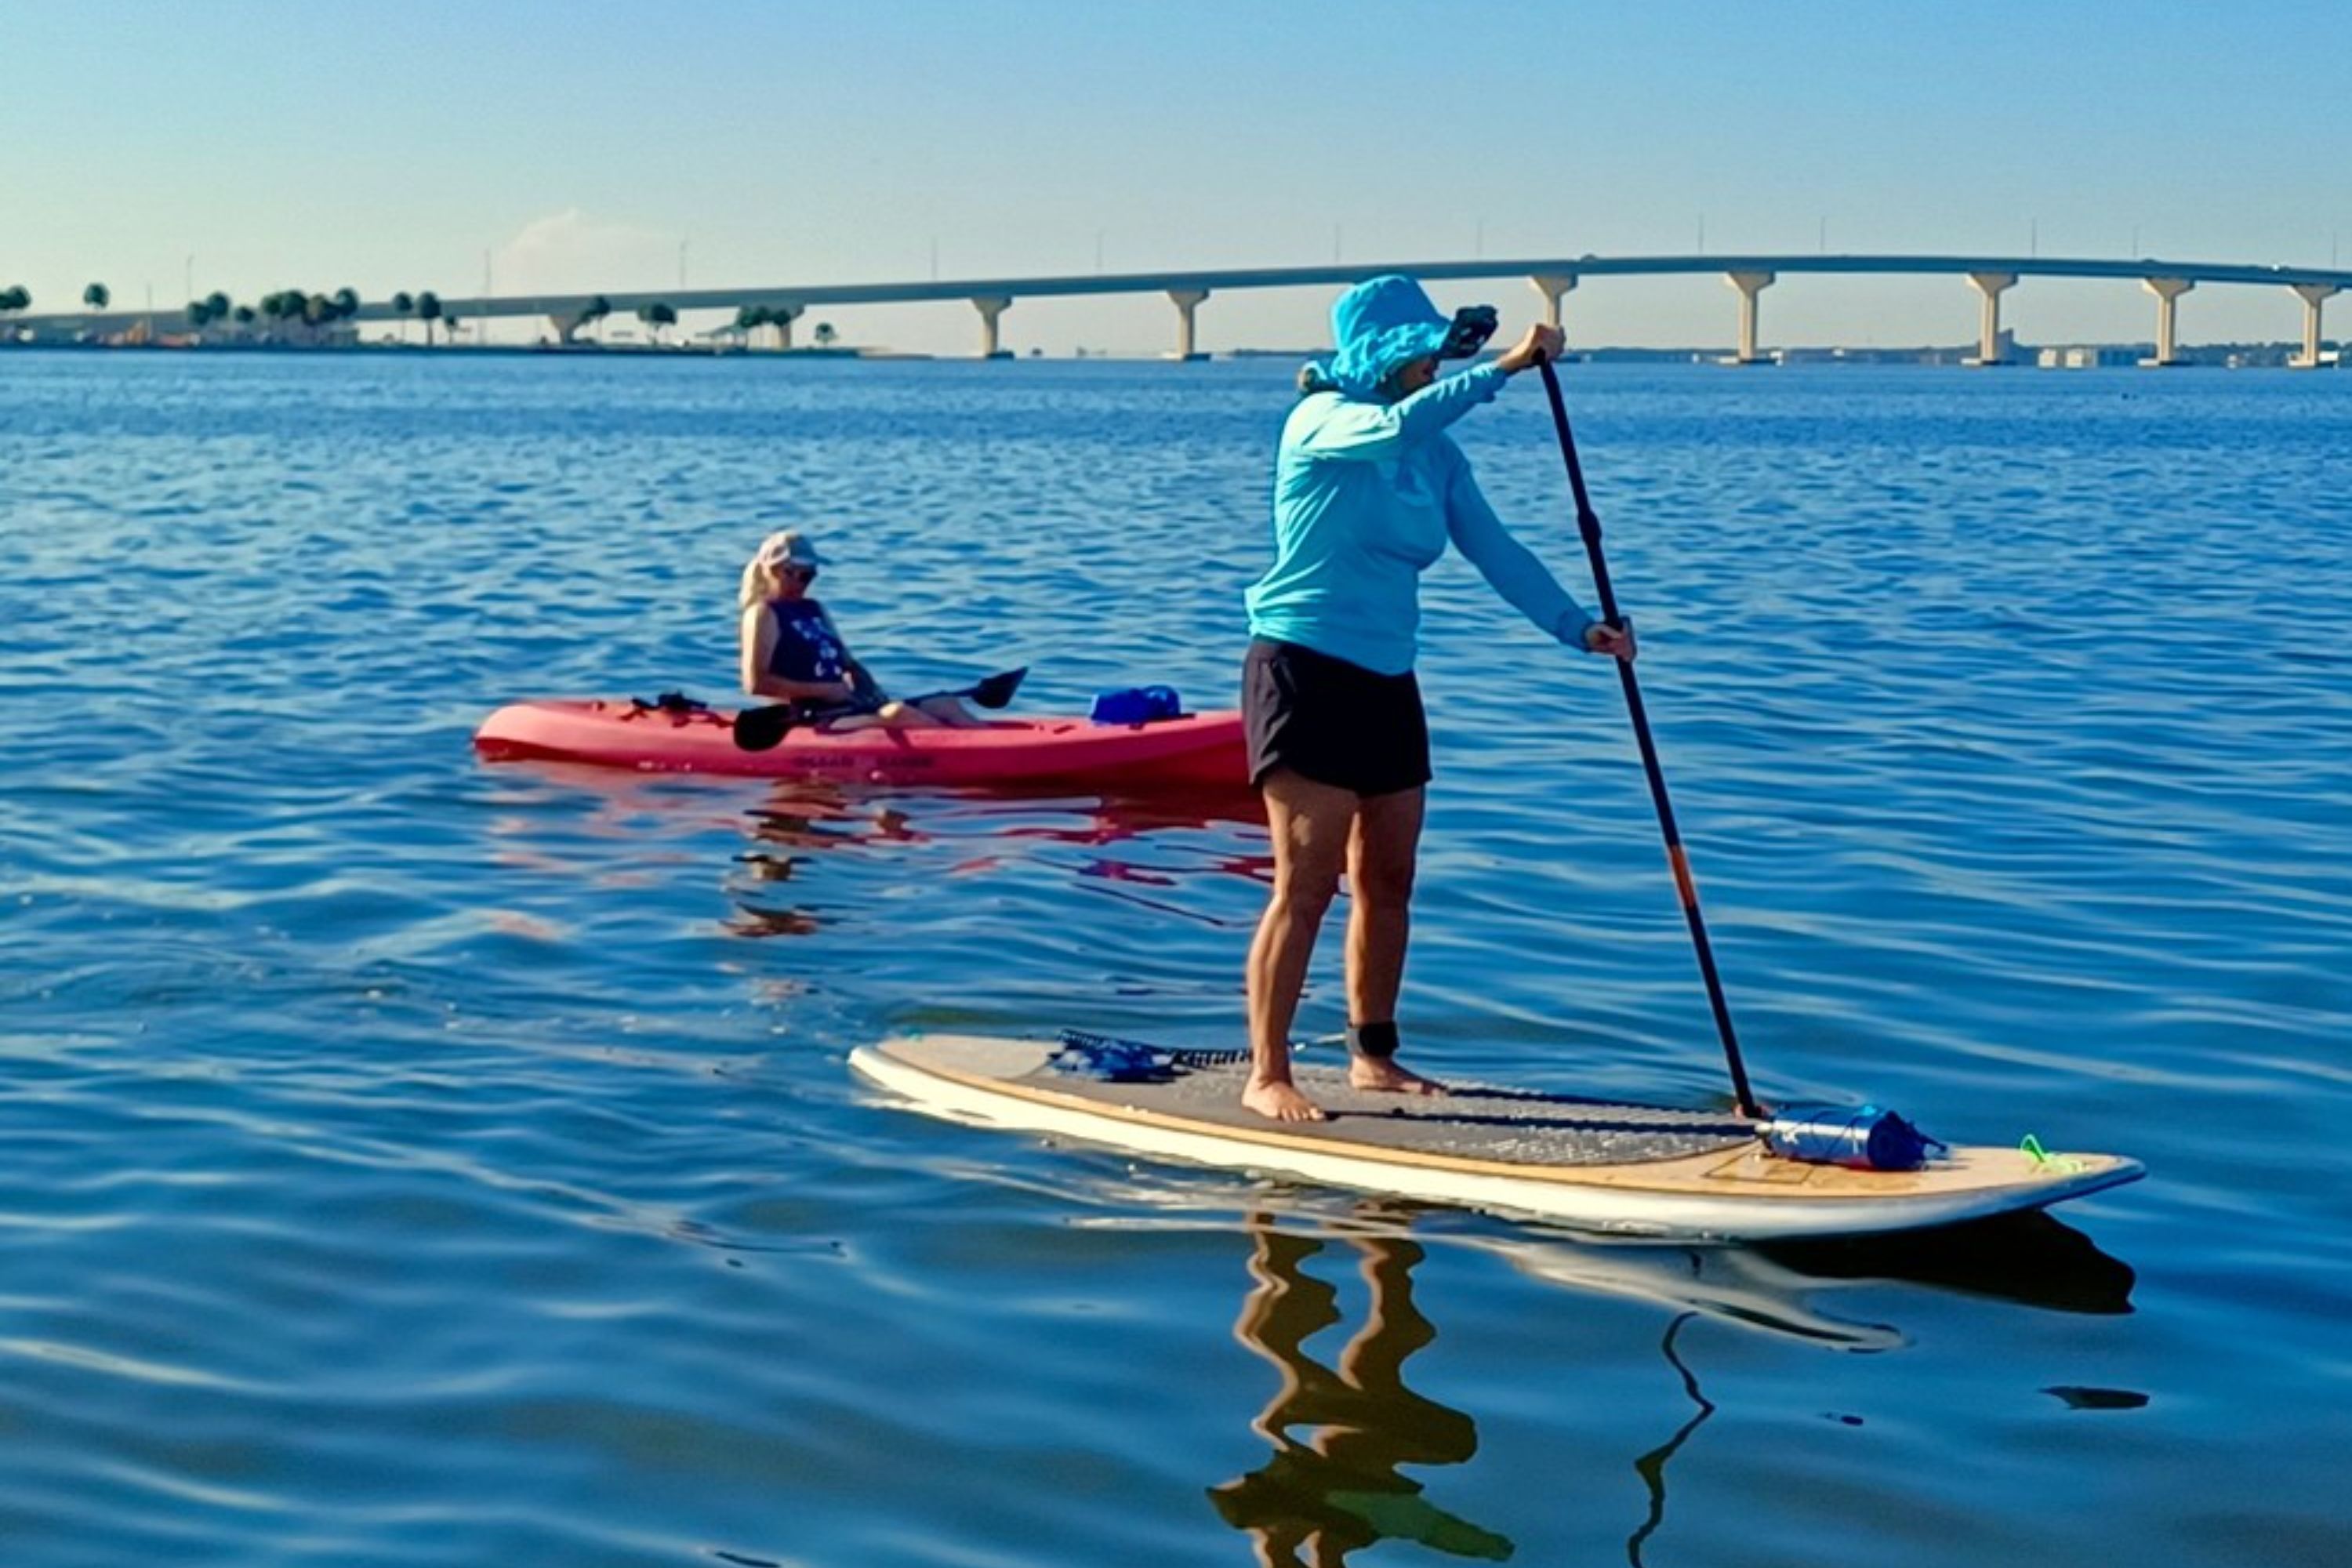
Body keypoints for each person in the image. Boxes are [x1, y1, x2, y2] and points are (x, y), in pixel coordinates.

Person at [1240, 275, 1637, 1123]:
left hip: (1388, 675)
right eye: (1420, 349)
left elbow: (1497, 549)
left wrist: (1577, 625)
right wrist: (1503, 368)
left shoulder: (1438, 456)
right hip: (1303, 668)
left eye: (1438, 351)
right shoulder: (1322, 419)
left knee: (1388, 875)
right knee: (1305, 883)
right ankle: (1267, 1070)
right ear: (1384, 354)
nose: (1431, 362)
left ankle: (1373, 1056)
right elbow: (1387, 427)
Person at [737, 528, 982, 730]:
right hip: (808, 717)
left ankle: (988, 745)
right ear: (775, 570)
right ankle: (966, 757)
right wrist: (827, 691)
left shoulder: (815, 609)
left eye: (809, 576)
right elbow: (756, 683)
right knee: (899, 714)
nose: (803, 583)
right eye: (797, 575)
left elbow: (848, 663)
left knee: (943, 703)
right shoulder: (763, 614)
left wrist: (870, 690)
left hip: (844, 708)